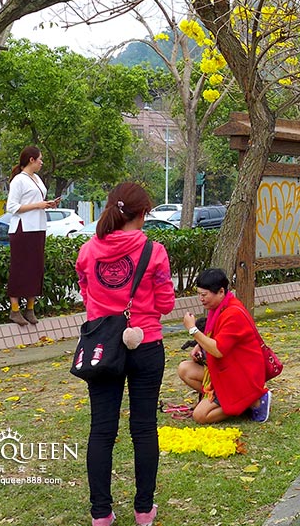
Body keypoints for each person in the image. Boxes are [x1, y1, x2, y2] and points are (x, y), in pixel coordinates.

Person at [76, 182, 175, 526]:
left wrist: (105, 309)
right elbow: (166, 303)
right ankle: (144, 510)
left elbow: (86, 293)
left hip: (102, 346)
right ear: (143, 213)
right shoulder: (154, 252)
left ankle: (101, 513)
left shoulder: (88, 251)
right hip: (146, 344)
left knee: (101, 430)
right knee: (144, 428)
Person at [176, 268, 272, 424]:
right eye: (199, 294)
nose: (201, 299)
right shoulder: (217, 309)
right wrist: (200, 346)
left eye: (204, 295)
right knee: (185, 369)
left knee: (200, 416)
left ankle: (252, 400)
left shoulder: (233, 313)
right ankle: (237, 402)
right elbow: (213, 340)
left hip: (241, 376)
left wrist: (193, 330)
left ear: (221, 292)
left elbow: (218, 350)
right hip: (227, 370)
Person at [5, 145, 58, 326]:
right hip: (23, 229)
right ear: (31, 160)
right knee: (20, 268)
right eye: (40, 159)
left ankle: (30, 308)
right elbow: (12, 207)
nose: (42, 162)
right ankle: (14, 310)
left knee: (35, 268)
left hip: (38, 227)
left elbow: (37, 201)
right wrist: (38, 205)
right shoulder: (19, 180)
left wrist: (47, 204)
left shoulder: (37, 179)